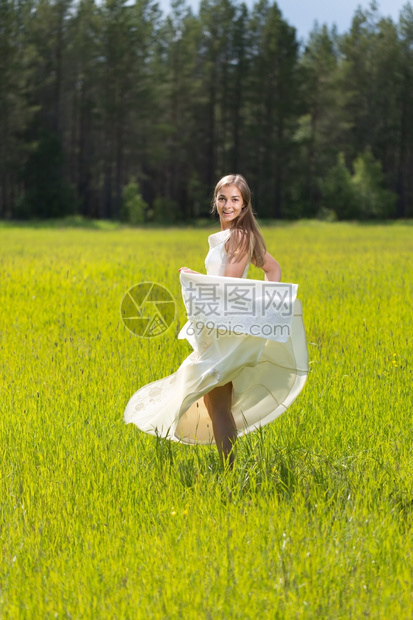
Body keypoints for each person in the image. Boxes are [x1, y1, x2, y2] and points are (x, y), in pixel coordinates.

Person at [124, 174, 308, 468]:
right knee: (214, 402)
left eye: (235, 199)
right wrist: (260, 307)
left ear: (245, 205)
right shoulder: (232, 237)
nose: (227, 205)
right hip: (222, 329)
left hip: (227, 334)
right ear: (215, 202)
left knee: (217, 404)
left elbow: (230, 283)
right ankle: (228, 466)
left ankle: (229, 470)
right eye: (223, 199)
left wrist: (258, 309)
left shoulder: (239, 236)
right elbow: (273, 269)